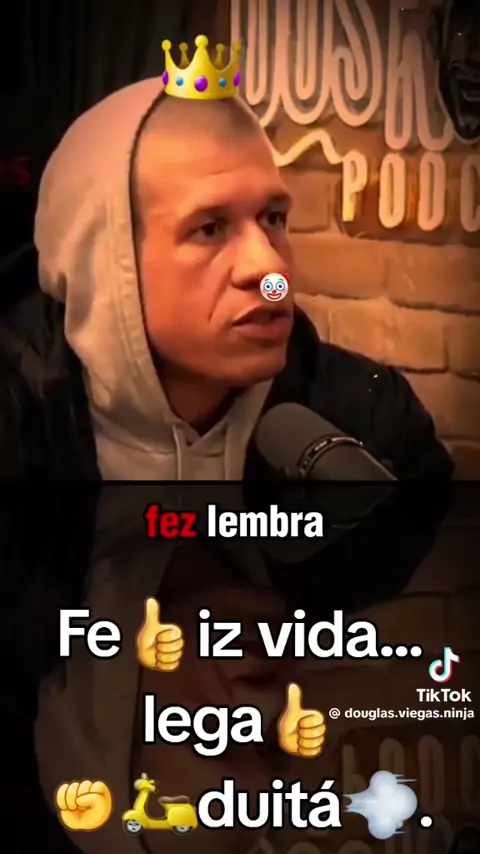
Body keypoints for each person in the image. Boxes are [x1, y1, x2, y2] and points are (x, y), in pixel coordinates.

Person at [0, 46, 453, 854]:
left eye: (273, 218)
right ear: (104, 260)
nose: (270, 272)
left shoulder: (368, 426)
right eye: (211, 229)